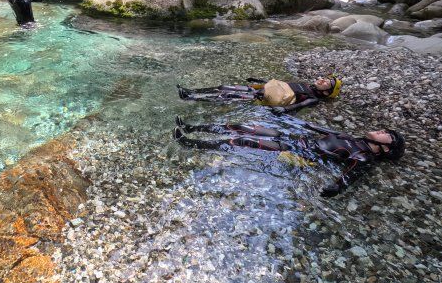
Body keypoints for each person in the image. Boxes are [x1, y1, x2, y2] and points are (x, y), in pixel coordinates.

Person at [172, 114, 404, 197]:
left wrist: (336, 187)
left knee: (242, 141)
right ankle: (193, 127)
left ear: (386, 149)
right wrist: (290, 118)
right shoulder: (356, 139)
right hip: (295, 138)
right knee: (243, 127)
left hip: (299, 152)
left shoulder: (364, 156)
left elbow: (349, 176)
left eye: (388, 136)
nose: (383, 131)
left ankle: (189, 143)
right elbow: (320, 130)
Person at [177, 76, 342, 113]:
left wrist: (283, 111)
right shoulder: (305, 84)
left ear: (327, 92)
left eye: (327, 82)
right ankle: (193, 91)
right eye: (324, 77)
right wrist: (259, 80)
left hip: (260, 99)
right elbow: (280, 84)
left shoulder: (313, 99)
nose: (322, 79)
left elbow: (299, 106)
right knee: (224, 87)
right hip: (259, 89)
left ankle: (191, 99)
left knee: (227, 97)